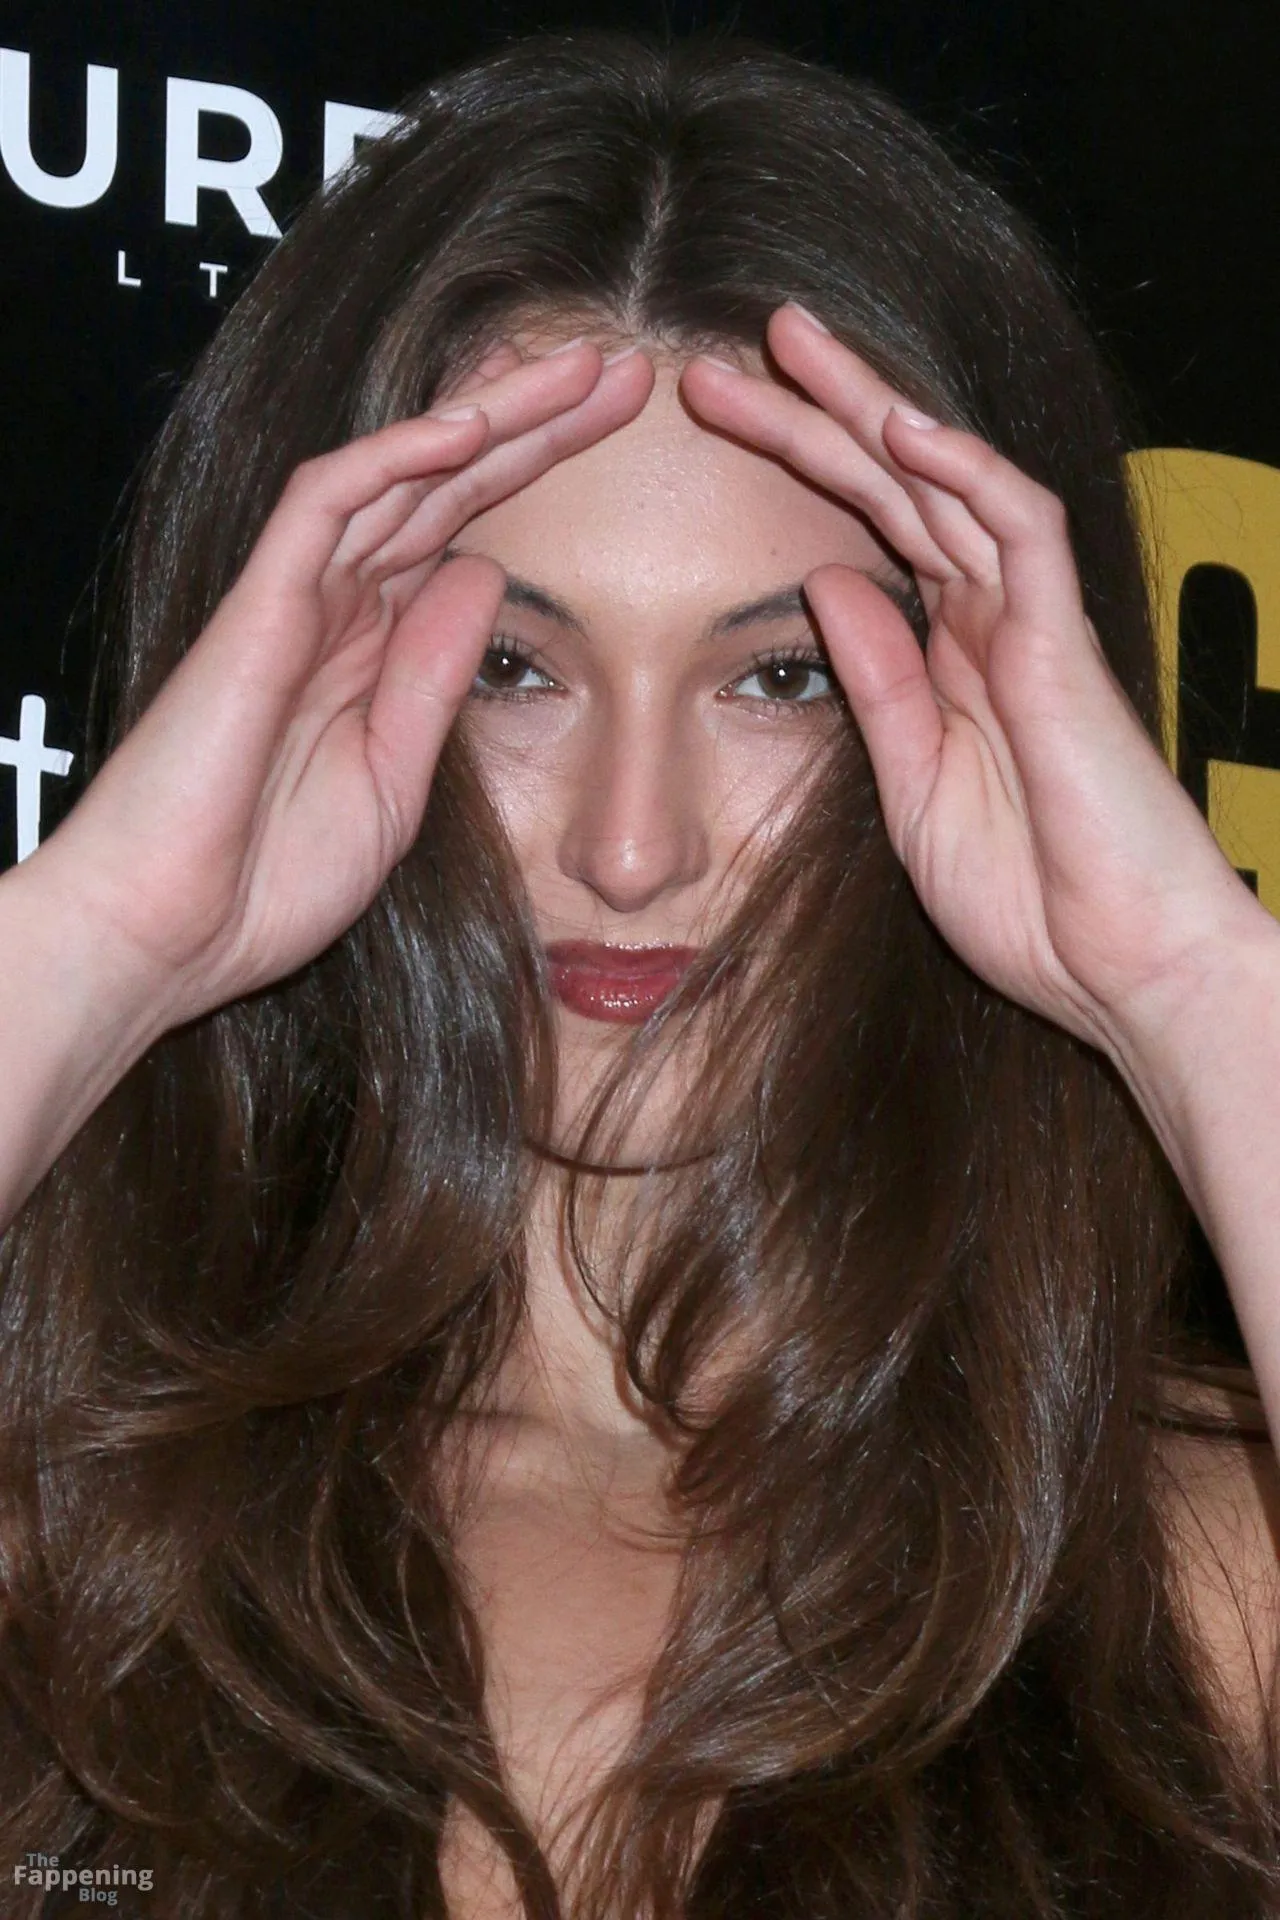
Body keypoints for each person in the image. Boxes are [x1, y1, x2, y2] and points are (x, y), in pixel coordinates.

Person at [2, 24, 1280, 1919]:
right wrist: (101, 937)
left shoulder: (1202, 1577)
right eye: (510, 668)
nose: (629, 848)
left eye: (784, 679)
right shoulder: (60, 1524)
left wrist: (1190, 980)